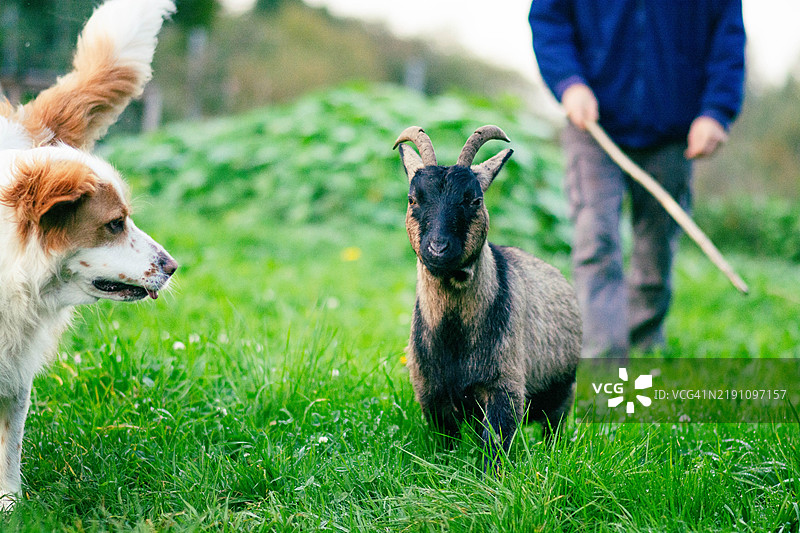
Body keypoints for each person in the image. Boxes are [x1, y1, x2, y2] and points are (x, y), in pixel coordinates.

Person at [528, 1, 746, 358]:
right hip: (593, 127)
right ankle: (604, 358)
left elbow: (728, 38)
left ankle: (644, 345)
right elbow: (549, 18)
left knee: (656, 249)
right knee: (595, 238)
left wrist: (716, 111)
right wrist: (569, 83)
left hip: (673, 131)